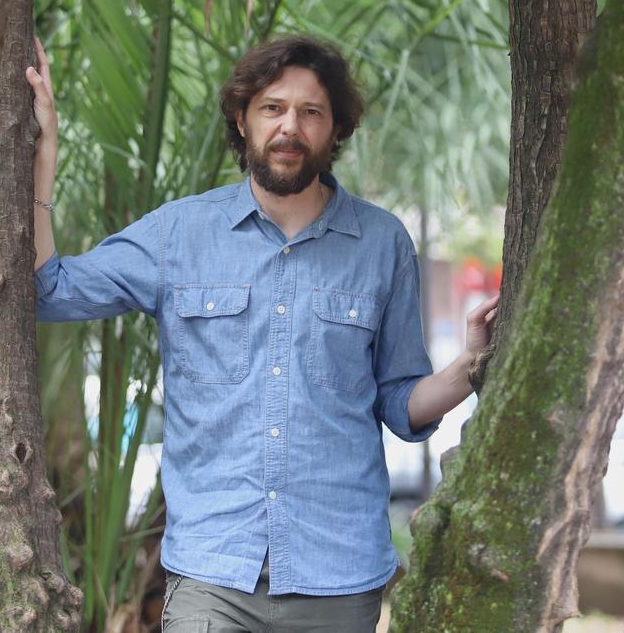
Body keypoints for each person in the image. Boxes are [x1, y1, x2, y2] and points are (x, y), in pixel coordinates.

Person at [25, 33, 499, 632]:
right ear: (243, 120)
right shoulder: (181, 233)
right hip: (212, 574)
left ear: (335, 129)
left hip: (338, 576)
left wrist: (469, 365)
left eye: (311, 112)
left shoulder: (382, 244)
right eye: (272, 108)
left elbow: (401, 405)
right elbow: (51, 289)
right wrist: (45, 156)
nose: (290, 127)